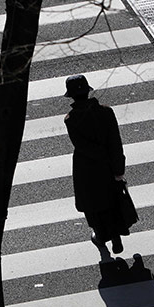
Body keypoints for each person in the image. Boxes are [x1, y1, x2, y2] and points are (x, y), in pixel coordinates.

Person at [64, 74, 128, 254]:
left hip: (86, 167)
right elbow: (116, 141)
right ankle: (116, 236)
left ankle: (101, 235)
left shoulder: (71, 119)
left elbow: (80, 145)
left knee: (93, 204)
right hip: (108, 164)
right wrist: (117, 167)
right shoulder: (106, 112)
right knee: (112, 199)